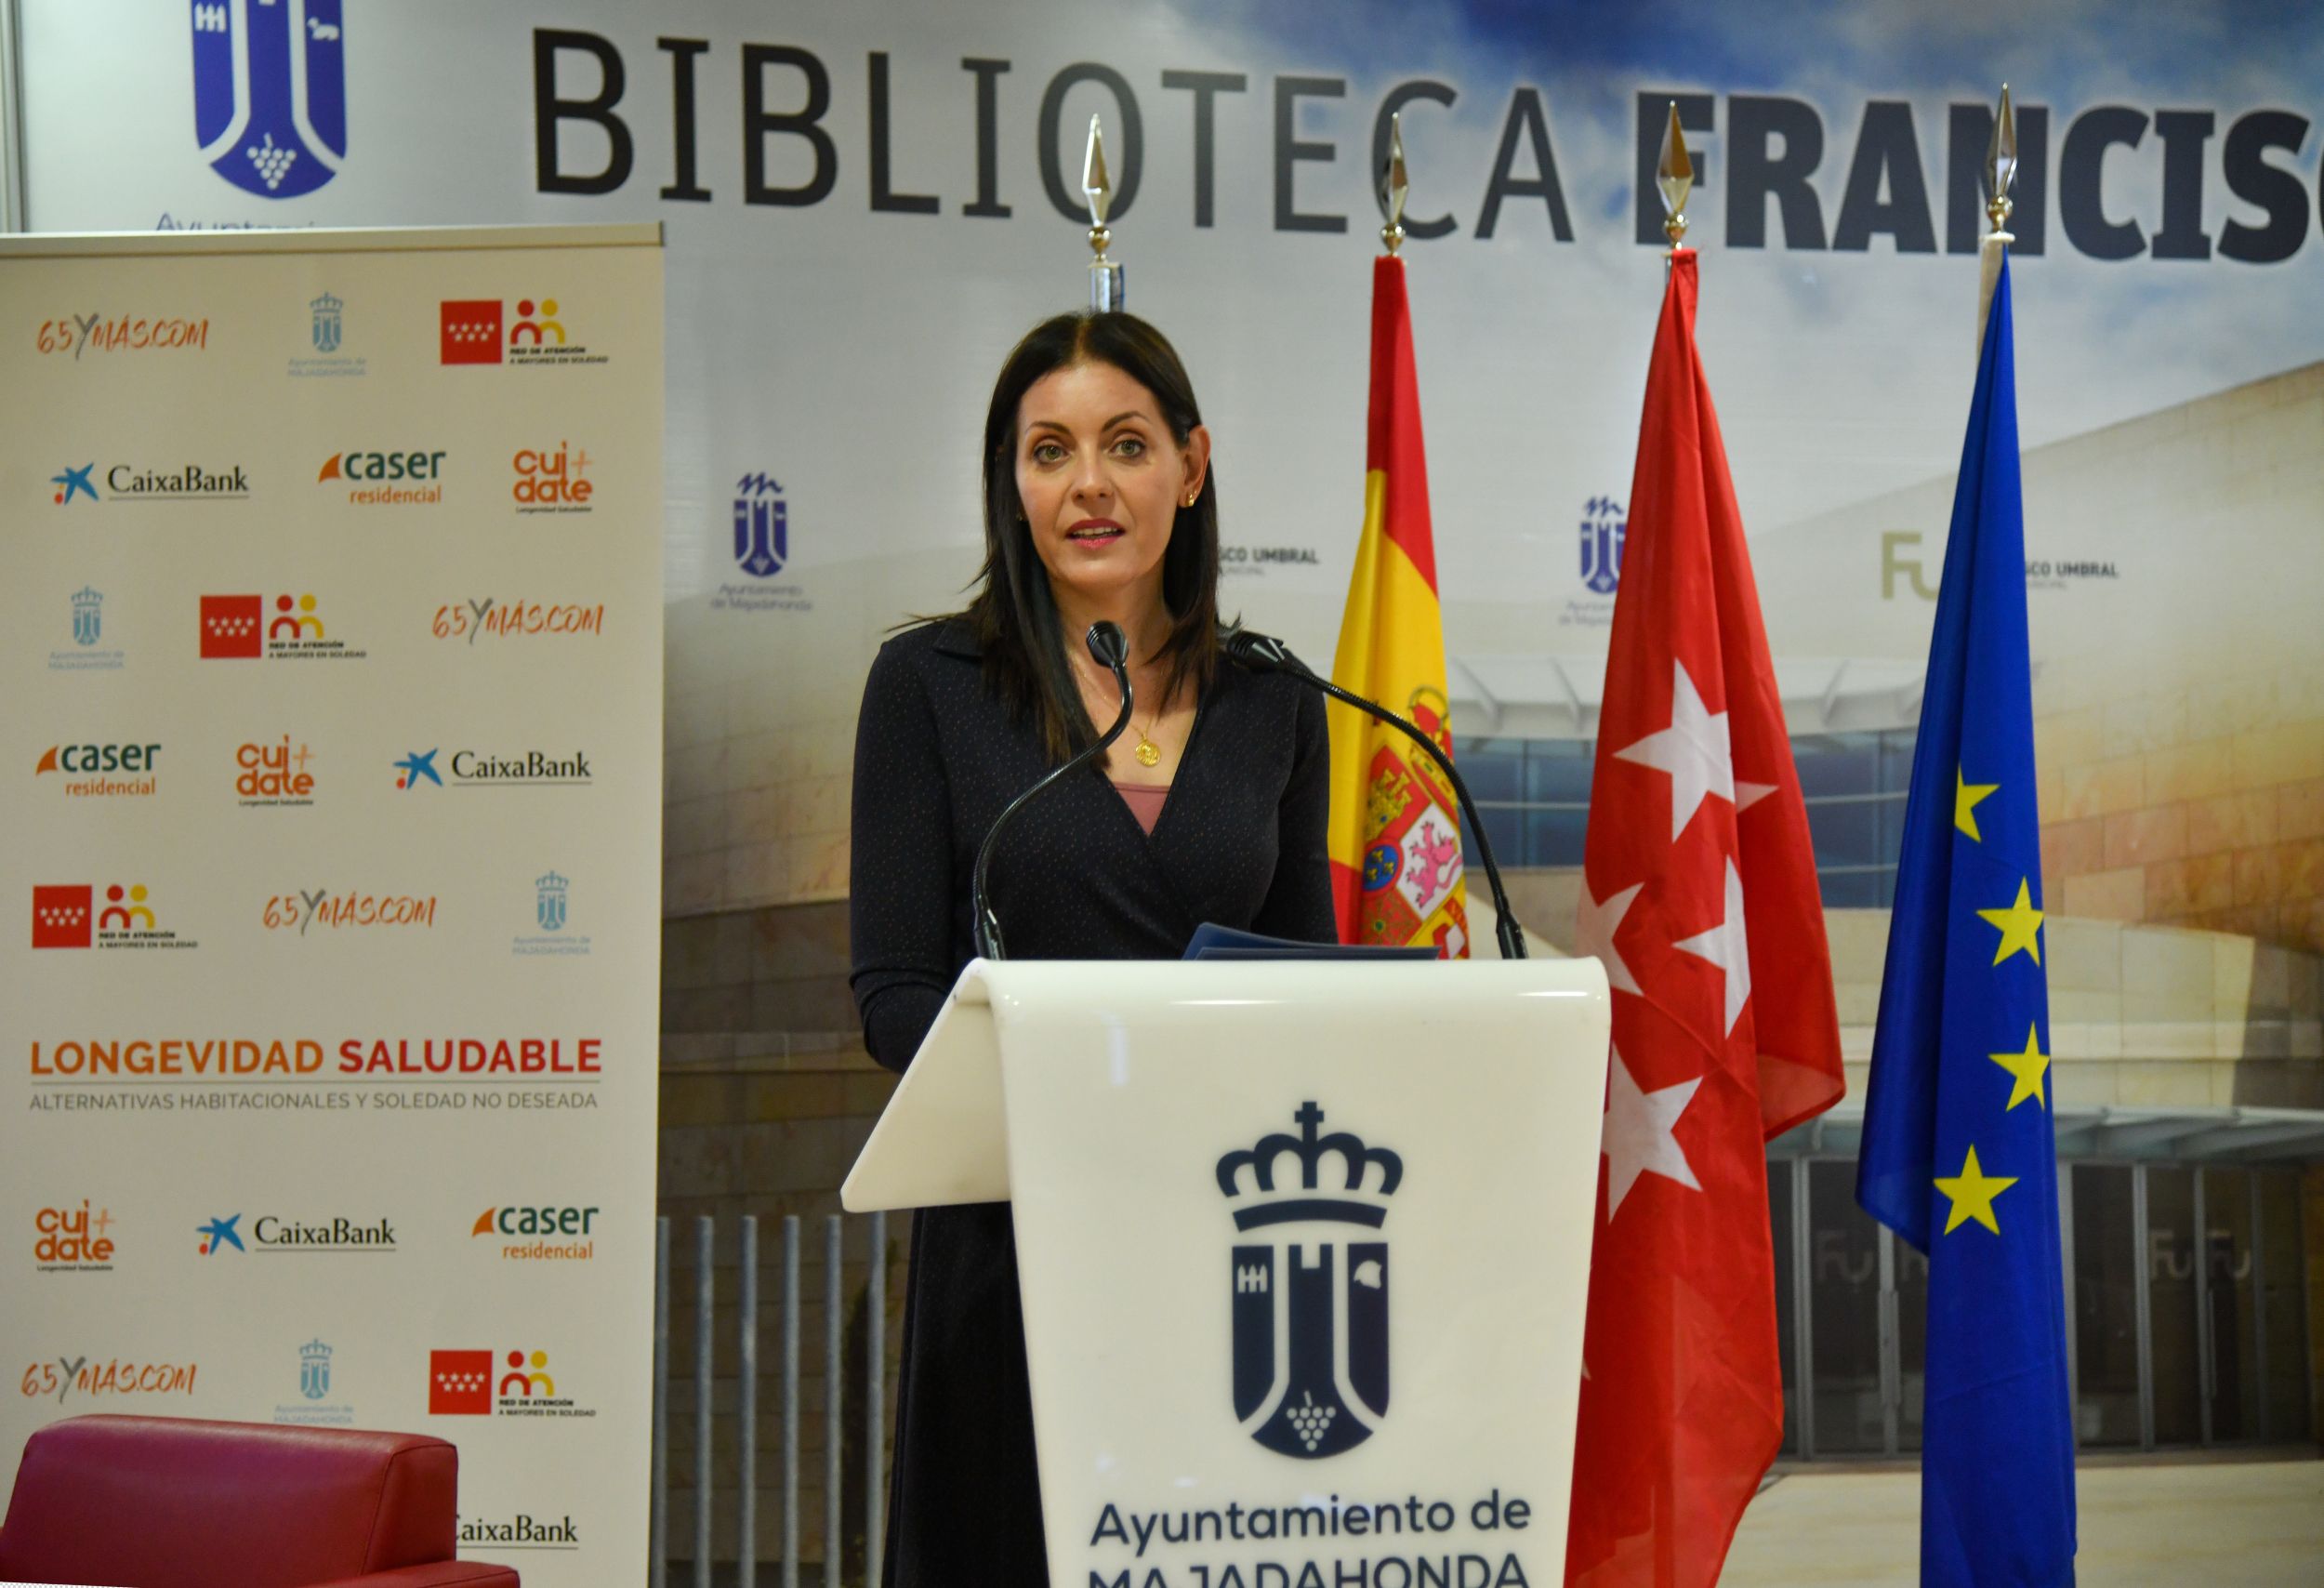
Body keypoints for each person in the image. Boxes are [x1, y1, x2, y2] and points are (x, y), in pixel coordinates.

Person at [848, 310, 1336, 1584]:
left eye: (1126, 445)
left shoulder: (1278, 702)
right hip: (1016, 1239)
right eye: (1048, 452)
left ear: (1194, 461)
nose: (1089, 486)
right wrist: (1070, 1098)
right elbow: (895, 992)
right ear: (1011, 483)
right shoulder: (929, 685)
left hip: (1233, 1238)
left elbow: (1307, 983)